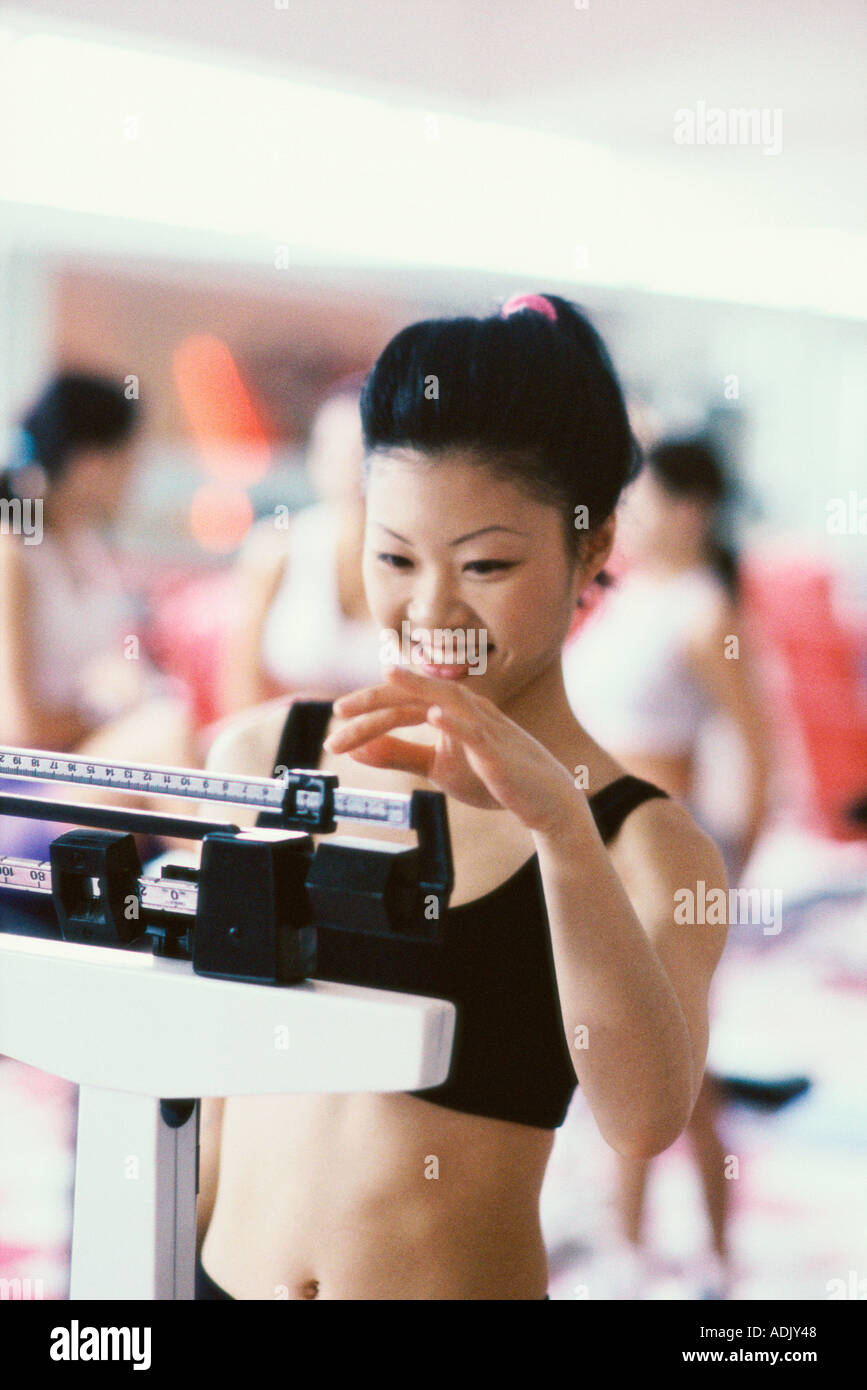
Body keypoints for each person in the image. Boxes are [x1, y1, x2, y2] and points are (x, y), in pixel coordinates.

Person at [195, 293, 729, 1301]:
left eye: (486, 563)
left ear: (594, 544)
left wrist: (559, 827)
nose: (431, 609)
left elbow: (643, 1116)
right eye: (394, 556)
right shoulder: (266, 755)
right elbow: (210, 1089)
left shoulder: (643, 844)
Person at [563, 436, 772, 1297]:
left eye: (646, 500)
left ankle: (679, 1249)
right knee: (646, 1053)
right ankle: (642, 1240)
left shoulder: (701, 610)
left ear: (690, 510)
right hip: (599, 852)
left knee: (668, 1058)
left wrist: (731, 861)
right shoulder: (625, 595)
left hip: (662, 855)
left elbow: (758, 747)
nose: (633, 515)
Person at [0, 371, 195, 856]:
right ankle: (226, 900)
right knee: (163, 733)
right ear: (90, 463)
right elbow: (21, 729)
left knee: (189, 734)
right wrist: (112, 711)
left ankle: (216, 890)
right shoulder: (13, 556)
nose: (136, 477)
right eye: (130, 460)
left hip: (84, 760)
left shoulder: (86, 547)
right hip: (25, 788)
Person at [219, 377, 381, 715]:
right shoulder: (275, 549)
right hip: (287, 748)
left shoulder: (423, 563)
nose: (347, 468)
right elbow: (239, 687)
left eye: (362, 450)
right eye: (330, 448)